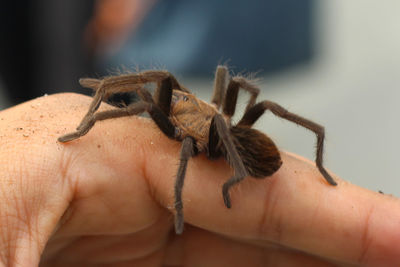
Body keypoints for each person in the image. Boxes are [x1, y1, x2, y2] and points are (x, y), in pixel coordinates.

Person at [0, 93, 399, 266]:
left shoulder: (195, 141)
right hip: (227, 143)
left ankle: (261, 168)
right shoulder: (186, 121)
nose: (174, 102)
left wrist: (236, 174)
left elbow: (216, 126)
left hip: (245, 158)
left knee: (253, 108)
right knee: (146, 94)